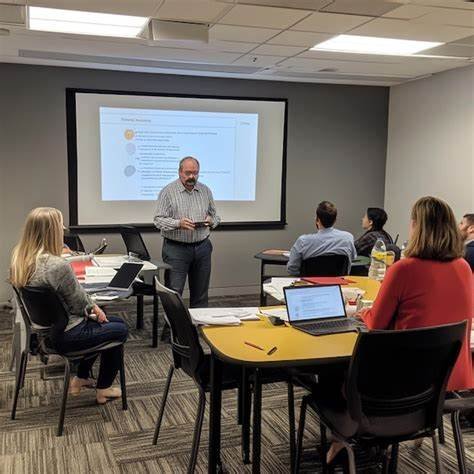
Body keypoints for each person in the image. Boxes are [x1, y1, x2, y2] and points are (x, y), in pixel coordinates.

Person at [323, 196, 473, 463]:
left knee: (331, 374)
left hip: (393, 386)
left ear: (417, 226)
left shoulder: (403, 269)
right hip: (439, 386)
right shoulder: (464, 268)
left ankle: (340, 439)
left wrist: (362, 312)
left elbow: (376, 323)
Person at [10, 207, 128, 404]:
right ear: (51, 231)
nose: (63, 229)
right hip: (67, 335)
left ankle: (81, 378)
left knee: (111, 324)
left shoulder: (20, 259)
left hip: (44, 334)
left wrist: (91, 310)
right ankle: (104, 388)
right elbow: (78, 304)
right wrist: (93, 308)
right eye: (60, 225)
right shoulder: (58, 266)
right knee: (120, 329)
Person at [153, 156, 220, 308]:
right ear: (180, 172)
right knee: (174, 292)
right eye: (188, 173)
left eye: (195, 173)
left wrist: (211, 221)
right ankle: (173, 323)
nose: (191, 176)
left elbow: (215, 217)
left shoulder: (205, 191)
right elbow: (158, 220)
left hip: (202, 247)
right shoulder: (168, 192)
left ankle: (199, 322)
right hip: (176, 249)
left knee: (201, 293)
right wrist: (178, 223)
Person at [287, 201, 356, 276]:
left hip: (309, 283)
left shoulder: (303, 241)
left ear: (317, 220)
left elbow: (292, 269)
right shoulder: (348, 238)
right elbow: (352, 258)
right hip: (339, 282)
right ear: (335, 220)